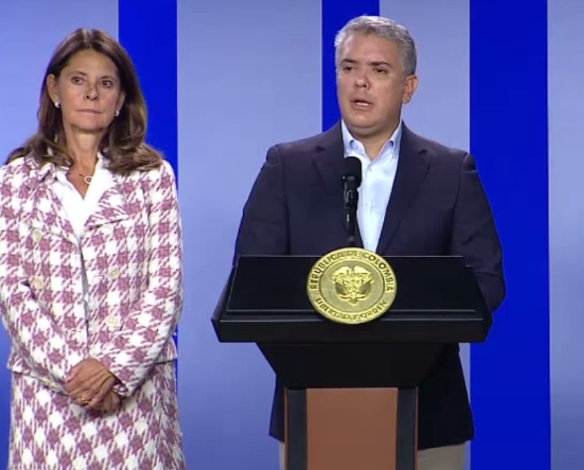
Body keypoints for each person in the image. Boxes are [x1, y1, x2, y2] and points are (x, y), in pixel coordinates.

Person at [233, 15, 504, 470]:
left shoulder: (451, 171)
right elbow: (253, 278)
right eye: (349, 68)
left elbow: (486, 283)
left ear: (408, 87)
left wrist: (404, 328)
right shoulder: (287, 167)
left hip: (428, 416)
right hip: (312, 410)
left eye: (379, 70)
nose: (361, 82)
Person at [0, 28, 185, 469]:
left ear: (121, 98)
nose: (91, 94)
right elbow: (11, 290)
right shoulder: (16, 181)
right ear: (54, 90)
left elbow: (166, 289)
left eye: (106, 83)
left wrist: (113, 370)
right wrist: (75, 375)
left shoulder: (153, 177)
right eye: (78, 80)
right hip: (49, 397)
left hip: (135, 396)